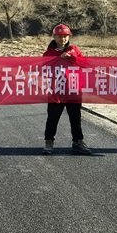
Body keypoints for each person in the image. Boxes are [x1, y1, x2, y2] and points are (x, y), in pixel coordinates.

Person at [42, 24, 92, 155]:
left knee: (75, 118)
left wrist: (72, 58)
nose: (62, 39)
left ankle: (78, 141)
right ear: (54, 37)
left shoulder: (74, 50)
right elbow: (43, 69)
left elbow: (85, 64)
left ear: (69, 37)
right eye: (59, 36)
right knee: (53, 118)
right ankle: (49, 141)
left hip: (73, 90)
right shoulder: (49, 53)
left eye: (65, 37)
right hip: (56, 91)